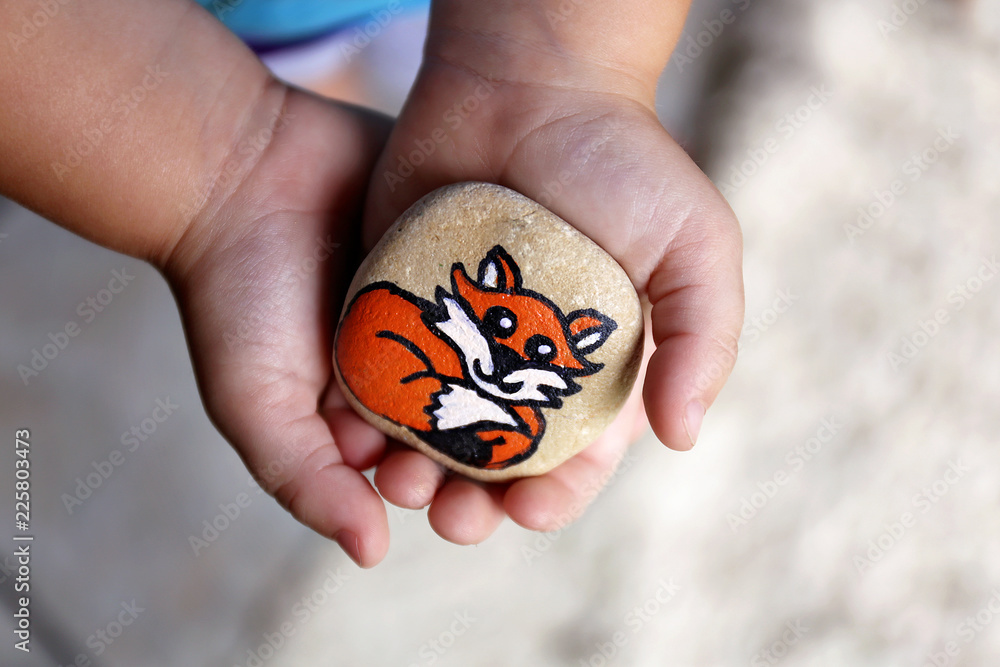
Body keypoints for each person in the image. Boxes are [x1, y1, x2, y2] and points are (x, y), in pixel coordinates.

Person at [0, 0, 744, 567]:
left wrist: (551, 61)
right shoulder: (410, 318)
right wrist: (219, 165)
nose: (513, 363)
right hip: (127, 46)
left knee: (399, 52)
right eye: (510, 338)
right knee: (313, 60)